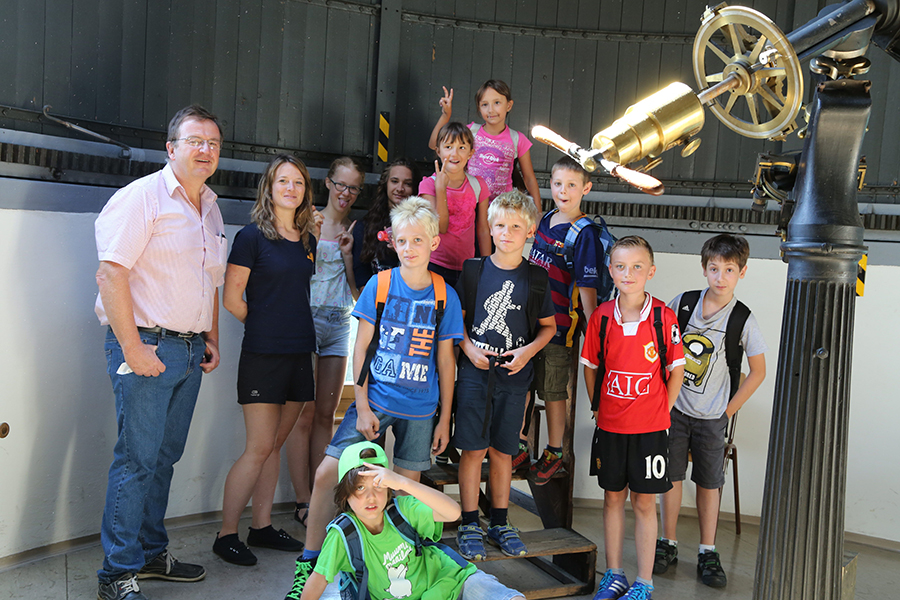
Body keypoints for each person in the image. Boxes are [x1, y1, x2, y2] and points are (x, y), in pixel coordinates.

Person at [284, 197, 464, 600]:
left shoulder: (444, 296)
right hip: (375, 402)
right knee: (326, 474)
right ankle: (309, 562)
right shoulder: (380, 287)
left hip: (420, 411)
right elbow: (360, 349)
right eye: (403, 240)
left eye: (419, 239)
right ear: (393, 243)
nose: (411, 247)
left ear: (434, 242)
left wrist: (444, 417)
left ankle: (400, 574)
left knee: (403, 495)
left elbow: (446, 362)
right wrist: (361, 404)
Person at [93, 105, 226, 600]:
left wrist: (212, 337)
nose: (205, 150)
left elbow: (208, 281)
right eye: (195, 141)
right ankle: (116, 573)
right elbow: (111, 274)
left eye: (213, 142)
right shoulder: (142, 197)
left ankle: (150, 553)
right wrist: (133, 347)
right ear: (171, 148)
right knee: (137, 461)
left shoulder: (208, 206)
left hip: (188, 352)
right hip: (146, 348)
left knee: (163, 459)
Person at [212, 155, 319, 566]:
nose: (290, 188)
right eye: (283, 181)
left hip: (299, 353)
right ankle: (226, 534)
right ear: (269, 187)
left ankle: (260, 527)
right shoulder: (251, 237)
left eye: (298, 182)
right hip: (263, 354)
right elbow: (232, 299)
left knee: (274, 444)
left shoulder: (306, 239)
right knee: (257, 447)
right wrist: (265, 327)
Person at [655, 234, 767, 588]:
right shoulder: (684, 304)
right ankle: (667, 543)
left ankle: (707, 550)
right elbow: (660, 348)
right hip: (674, 411)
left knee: (709, 481)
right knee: (670, 476)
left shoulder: (742, 319)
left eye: (729, 270)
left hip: (712, 416)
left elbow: (759, 370)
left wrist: (727, 411)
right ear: (704, 269)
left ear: (742, 273)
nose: (721, 276)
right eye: (714, 268)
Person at [580, 236, 685, 600]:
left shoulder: (663, 318)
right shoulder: (601, 317)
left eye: (637, 267)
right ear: (611, 271)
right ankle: (615, 575)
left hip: (650, 429)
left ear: (651, 272)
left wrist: (663, 410)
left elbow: (676, 370)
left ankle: (643, 582)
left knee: (643, 502)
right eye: (621, 266)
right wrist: (598, 406)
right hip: (611, 426)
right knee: (613, 498)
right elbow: (591, 367)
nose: (629, 273)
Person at [453, 190, 555, 560]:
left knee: (502, 452)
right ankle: (468, 522)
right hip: (475, 376)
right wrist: (469, 349)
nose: (507, 232)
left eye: (515, 226)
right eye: (500, 225)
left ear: (530, 231)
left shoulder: (536, 277)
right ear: (489, 228)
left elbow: (548, 327)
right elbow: (456, 323)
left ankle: (499, 521)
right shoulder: (473, 270)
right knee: (472, 450)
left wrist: (527, 352)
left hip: (515, 380)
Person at [298, 441, 526, 600]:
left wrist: (403, 483)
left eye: (378, 485)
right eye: (359, 488)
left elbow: (453, 513)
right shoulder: (344, 534)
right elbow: (318, 580)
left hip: (451, 580)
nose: (370, 497)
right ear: (345, 496)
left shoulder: (401, 511)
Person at [524, 156, 614, 484]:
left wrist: (594, 333)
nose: (564, 191)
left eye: (572, 185)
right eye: (559, 183)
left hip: (561, 328)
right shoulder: (546, 219)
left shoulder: (585, 233)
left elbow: (588, 288)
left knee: (552, 389)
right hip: (530, 322)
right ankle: (521, 442)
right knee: (523, 383)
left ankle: (553, 451)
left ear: (586, 189)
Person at [287, 157, 366, 528]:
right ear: (328, 182)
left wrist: (349, 255)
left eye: (353, 188)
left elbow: (356, 292)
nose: (346, 193)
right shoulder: (307, 221)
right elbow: (293, 274)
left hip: (339, 321)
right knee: (300, 415)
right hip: (303, 318)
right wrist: (313, 239)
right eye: (341, 185)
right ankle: (302, 500)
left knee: (325, 414)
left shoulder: (355, 228)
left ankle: (320, 498)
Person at [427, 80, 542, 212]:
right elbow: (433, 144)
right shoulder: (471, 132)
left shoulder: (518, 139)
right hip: (470, 206)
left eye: (497, 103)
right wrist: (445, 116)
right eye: (484, 104)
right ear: (479, 107)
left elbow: (529, 179)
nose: (491, 110)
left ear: (509, 105)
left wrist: (538, 213)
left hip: (502, 210)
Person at [419, 121, 490, 287]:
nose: (454, 154)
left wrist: (488, 266)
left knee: (462, 312)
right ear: (438, 151)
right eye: (448, 146)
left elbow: (483, 229)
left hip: (468, 266)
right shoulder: (428, 185)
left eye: (462, 148)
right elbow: (439, 227)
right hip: (434, 264)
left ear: (471, 153)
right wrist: (441, 189)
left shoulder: (478, 185)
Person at [350, 157, 422, 288]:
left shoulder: (422, 226)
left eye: (408, 184)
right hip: (376, 302)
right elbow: (360, 275)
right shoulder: (365, 226)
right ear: (385, 184)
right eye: (395, 181)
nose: (400, 188)